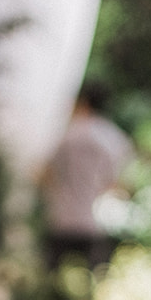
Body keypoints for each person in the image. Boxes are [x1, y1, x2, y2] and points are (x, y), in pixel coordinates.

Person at [40, 81, 133, 270]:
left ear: (83, 102)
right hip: (97, 225)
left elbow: (45, 173)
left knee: (53, 283)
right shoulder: (116, 139)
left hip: (62, 220)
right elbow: (119, 184)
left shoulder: (69, 133)